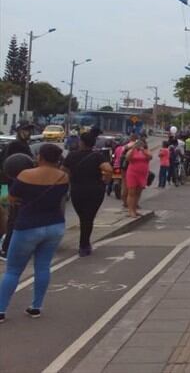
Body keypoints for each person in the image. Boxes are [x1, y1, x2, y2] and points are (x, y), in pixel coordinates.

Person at [0, 144, 69, 322]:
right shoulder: (63, 176)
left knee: (13, 271)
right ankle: (36, 307)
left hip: (28, 226)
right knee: (43, 267)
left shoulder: (25, 175)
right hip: (55, 226)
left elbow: (12, 198)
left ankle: (1, 310)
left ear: (40, 157)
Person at [62, 128, 112, 257]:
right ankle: (84, 245)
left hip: (77, 190)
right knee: (88, 217)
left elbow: (63, 171)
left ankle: (84, 244)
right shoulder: (97, 156)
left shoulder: (72, 155)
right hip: (95, 190)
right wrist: (105, 181)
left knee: (83, 216)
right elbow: (108, 169)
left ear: (81, 142)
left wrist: (71, 178)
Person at [0, 121, 36, 261]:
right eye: (26, 129)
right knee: (13, 218)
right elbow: (7, 166)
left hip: (16, 185)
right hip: (13, 185)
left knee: (16, 217)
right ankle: (6, 248)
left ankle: (12, 246)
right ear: (19, 130)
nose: (28, 132)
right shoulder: (15, 146)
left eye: (30, 130)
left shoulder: (23, 146)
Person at [124, 138, 152, 218]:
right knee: (131, 192)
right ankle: (130, 211)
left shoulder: (146, 151)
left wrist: (143, 150)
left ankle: (135, 209)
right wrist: (133, 148)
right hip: (132, 173)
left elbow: (150, 157)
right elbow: (127, 158)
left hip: (142, 174)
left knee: (138, 192)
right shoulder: (132, 151)